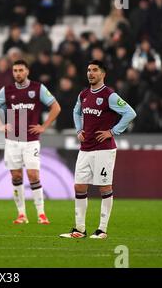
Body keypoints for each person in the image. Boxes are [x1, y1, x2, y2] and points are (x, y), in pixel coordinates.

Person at [60, 60, 136, 239]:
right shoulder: (84, 94)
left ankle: (102, 230)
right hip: (85, 148)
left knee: (104, 187)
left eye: (95, 70)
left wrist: (113, 131)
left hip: (104, 149)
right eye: (88, 70)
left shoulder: (109, 95)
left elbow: (130, 113)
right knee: (79, 186)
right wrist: (79, 129)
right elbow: (76, 112)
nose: (90, 73)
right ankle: (80, 229)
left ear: (103, 74)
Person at [0, 60, 61, 225]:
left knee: (33, 175)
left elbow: (56, 107)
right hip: (12, 140)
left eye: (21, 70)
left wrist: (44, 126)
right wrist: (0, 125)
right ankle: (21, 214)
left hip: (31, 140)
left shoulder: (38, 88)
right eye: (15, 71)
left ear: (27, 71)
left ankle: (41, 214)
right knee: (16, 175)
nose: (18, 73)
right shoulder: (7, 91)